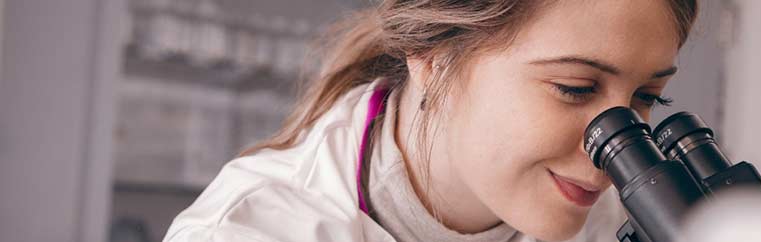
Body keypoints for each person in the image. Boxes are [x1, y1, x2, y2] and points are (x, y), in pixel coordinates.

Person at [164, 0, 697, 241]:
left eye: (648, 98)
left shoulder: (612, 223)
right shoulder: (249, 232)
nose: (613, 151)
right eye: (575, 88)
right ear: (433, 56)